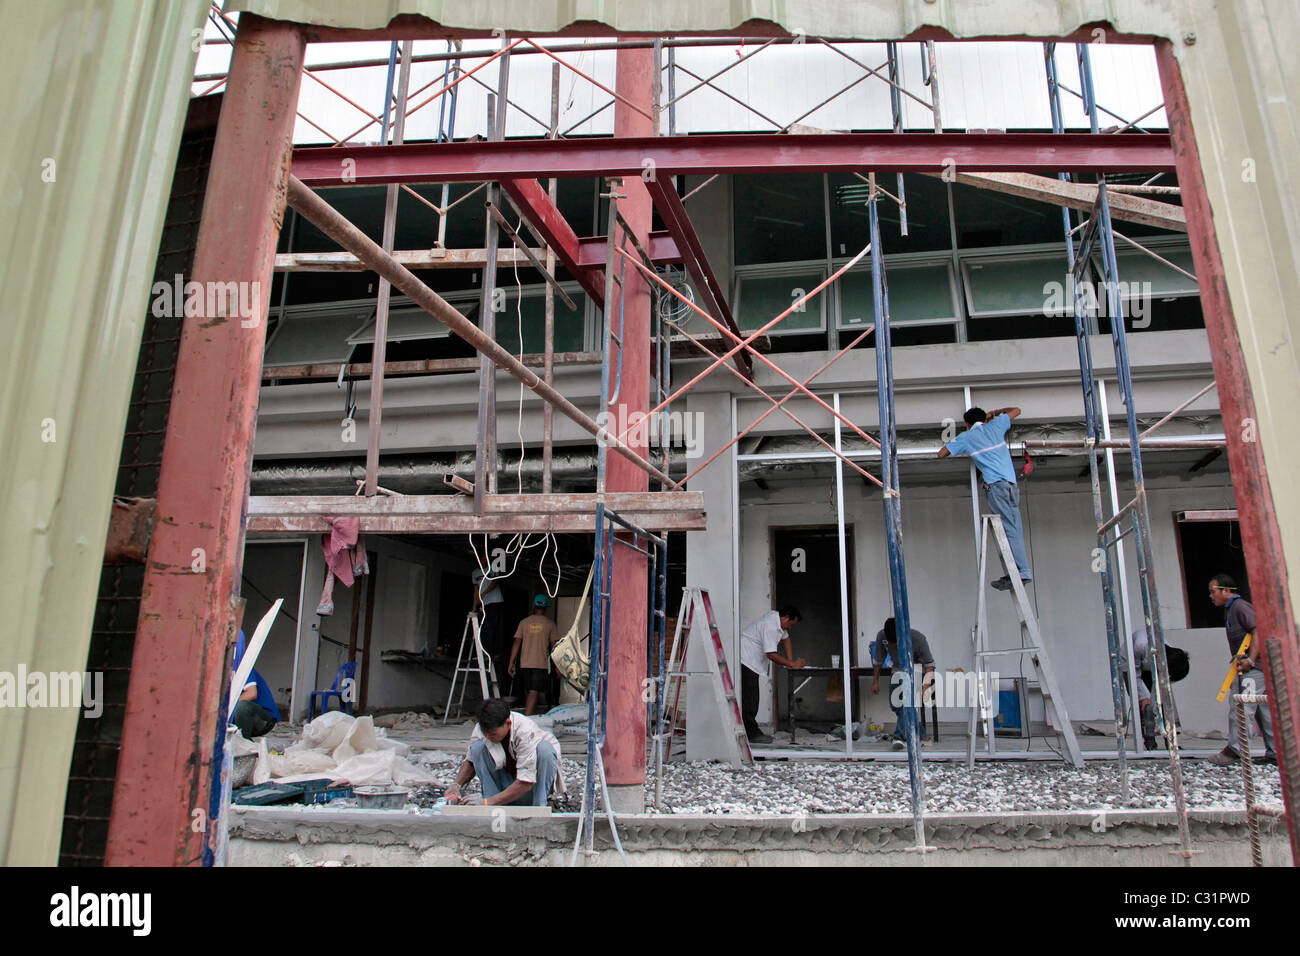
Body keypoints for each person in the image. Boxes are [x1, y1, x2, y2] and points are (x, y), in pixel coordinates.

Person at [938, 405, 1031, 590]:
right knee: (1015, 528)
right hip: (1011, 486)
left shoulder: (967, 437)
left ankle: (1021, 573)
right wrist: (993, 414)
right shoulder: (996, 425)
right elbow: (1017, 410)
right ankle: (1019, 571)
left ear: (967, 423)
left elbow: (941, 454)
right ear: (985, 418)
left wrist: (965, 446)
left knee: (1008, 531)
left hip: (996, 487)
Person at [1206, 575, 1276, 766]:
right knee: (1264, 711)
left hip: (1254, 669)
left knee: (1241, 705)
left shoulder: (1240, 607)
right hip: (1258, 668)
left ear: (1226, 591)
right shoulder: (1231, 610)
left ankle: (1236, 750)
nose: (1211, 596)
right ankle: (1276, 754)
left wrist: (1251, 661)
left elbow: (1258, 631)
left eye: (1213, 591)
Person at [445, 698, 565, 807]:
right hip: (504, 787)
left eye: (492, 734)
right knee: (478, 747)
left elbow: (526, 782)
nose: (488, 736)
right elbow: (470, 761)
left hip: (530, 789)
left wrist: (487, 802)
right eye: (485, 732)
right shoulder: (481, 728)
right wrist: (456, 785)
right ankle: (492, 801)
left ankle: (539, 806)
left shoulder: (525, 730)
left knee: (545, 750)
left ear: (508, 723)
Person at [739, 605, 806, 744]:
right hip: (747, 659)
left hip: (752, 660)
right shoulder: (770, 625)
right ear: (786, 618)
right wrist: (791, 664)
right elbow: (771, 654)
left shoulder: (778, 621)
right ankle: (751, 733)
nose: (790, 628)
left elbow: (786, 638)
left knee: (751, 696)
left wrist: (790, 661)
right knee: (751, 697)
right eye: (791, 624)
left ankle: (750, 730)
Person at [870, 617, 935, 750]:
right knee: (895, 705)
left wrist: (926, 687)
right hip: (897, 669)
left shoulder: (917, 638)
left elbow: (929, 665)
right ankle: (923, 737)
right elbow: (878, 660)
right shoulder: (881, 636)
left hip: (916, 670)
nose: (895, 644)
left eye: (897, 641)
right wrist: (875, 681)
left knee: (905, 703)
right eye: (892, 642)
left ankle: (899, 737)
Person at [1122, 626, 1191, 749]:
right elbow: (1134, 674)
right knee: (1144, 705)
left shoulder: (1168, 653)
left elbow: (1159, 684)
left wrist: (1156, 701)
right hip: (1130, 664)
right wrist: (1143, 697)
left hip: (1152, 665)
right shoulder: (1140, 646)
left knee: (1163, 703)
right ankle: (1149, 741)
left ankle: (1170, 742)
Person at [509, 595, 560, 716]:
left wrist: (511, 662)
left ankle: (531, 717)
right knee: (534, 691)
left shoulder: (524, 622)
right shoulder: (550, 624)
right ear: (545, 608)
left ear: (534, 606)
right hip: (540, 664)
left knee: (530, 691)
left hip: (525, 664)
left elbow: (517, 642)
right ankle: (527, 719)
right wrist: (558, 666)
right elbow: (554, 647)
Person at [230, 629, 280, 739]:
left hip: (263, 718)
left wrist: (226, 707)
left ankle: (244, 742)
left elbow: (252, 693)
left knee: (241, 706)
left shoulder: (243, 666)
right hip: (243, 716)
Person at [471, 566, 507, 688]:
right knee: (484, 628)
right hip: (484, 603)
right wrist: (475, 606)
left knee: (491, 627)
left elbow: (495, 582)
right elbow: (476, 590)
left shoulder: (492, 568)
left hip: (495, 602)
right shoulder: (475, 572)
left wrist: (484, 593)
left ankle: (490, 653)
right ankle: (483, 651)